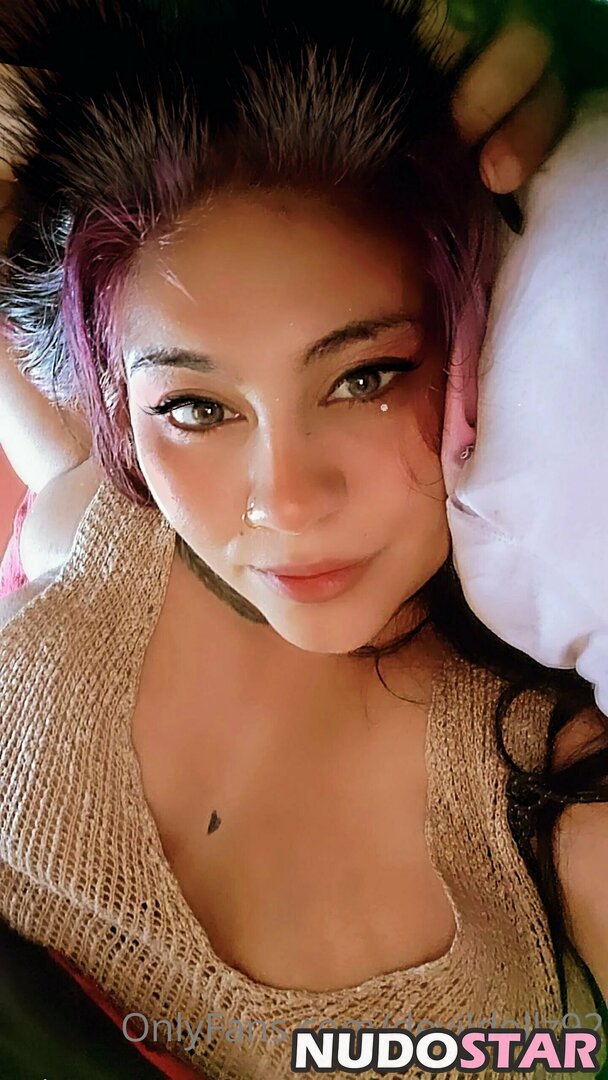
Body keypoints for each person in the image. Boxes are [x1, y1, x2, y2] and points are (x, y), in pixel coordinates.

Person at [0, 1, 606, 1078]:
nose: (282, 503)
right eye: (196, 408)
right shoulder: (92, 516)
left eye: (366, 377)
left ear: (470, 327)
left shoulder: (566, 814)